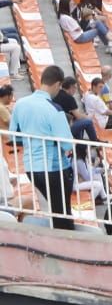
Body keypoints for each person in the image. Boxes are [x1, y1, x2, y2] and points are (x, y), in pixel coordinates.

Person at [9, 64, 76, 228]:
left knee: (56, 208)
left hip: (32, 167)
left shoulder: (20, 104)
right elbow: (67, 143)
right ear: (57, 85)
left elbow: (13, 135)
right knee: (62, 213)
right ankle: (65, 245)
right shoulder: (54, 109)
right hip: (54, 168)